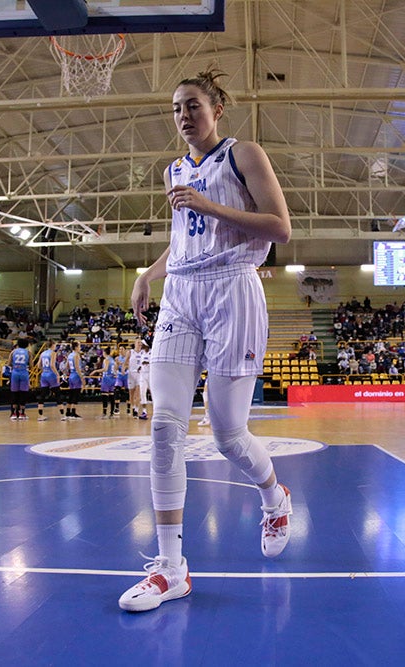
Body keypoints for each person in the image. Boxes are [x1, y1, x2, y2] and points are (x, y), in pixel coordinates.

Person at [119, 68, 293, 613]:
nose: (183, 116)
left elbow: (279, 227)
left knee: (225, 433)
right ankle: (171, 568)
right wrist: (149, 273)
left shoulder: (244, 155)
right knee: (165, 425)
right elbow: (184, 240)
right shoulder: (173, 170)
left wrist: (208, 204)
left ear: (216, 108)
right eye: (175, 109)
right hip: (181, 294)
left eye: (192, 105)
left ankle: (274, 497)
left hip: (233, 292)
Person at [36, 341, 62, 421]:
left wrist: (44, 370)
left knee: (42, 395)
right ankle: (63, 415)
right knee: (57, 394)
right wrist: (57, 374)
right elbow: (52, 365)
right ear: (52, 345)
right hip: (51, 375)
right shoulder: (53, 353)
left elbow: (38, 365)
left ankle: (40, 416)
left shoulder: (42, 353)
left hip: (44, 375)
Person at [7, 337, 30, 421]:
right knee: (23, 393)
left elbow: (9, 363)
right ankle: (22, 413)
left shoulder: (13, 352)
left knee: (14, 393)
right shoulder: (28, 352)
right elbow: (31, 365)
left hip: (15, 373)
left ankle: (13, 413)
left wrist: (15, 365)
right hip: (24, 373)